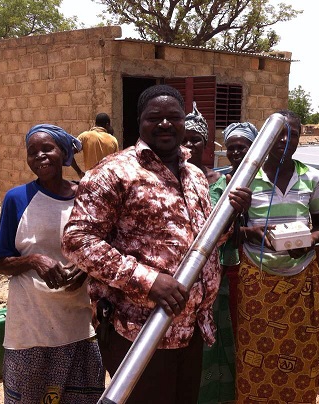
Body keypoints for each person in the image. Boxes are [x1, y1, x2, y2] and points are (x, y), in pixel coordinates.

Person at [62, 85, 251, 404]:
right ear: (140, 122)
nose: (165, 124)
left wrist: (229, 217)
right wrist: (148, 282)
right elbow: (77, 240)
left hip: (190, 330)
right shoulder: (114, 172)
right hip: (139, 332)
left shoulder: (194, 176)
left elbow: (203, 241)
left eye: (173, 117)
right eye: (155, 117)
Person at [0, 124, 104, 404]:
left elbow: (103, 248)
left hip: (78, 322)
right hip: (31, 326)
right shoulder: (17, 199)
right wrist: (32, 260)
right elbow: (1, 261)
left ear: (63, 153)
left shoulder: (85, 197)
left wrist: (86, 269)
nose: (40, 156)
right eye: (32, 152)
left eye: (47, 149)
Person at [236, 110, 319, 403]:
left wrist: (309, 242)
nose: (284, 141)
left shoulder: (312, 177)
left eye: (292, 135)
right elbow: (231, 231)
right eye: (278, 135)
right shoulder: (246, 177)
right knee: (255, 352)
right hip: (258, 278)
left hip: (300, 277)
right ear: (266, 138)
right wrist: (252, 232)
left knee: (298, 351)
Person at [182, 103, 243, 404]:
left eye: (195, 139)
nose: (189, 145)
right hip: (180, 278)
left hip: (216, 275)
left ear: (205, 143)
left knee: (218, 336)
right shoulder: (170, 181)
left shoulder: (222, 182)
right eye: (184, 139)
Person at [222, 122, 259, 338]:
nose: (235, 152)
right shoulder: (224, 181)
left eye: (241, 147)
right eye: (231, 147)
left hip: (257, 259)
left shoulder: (263, 180)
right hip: (232, 260)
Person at [71, 112, 118, 177]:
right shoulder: (113, 140)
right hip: (106, 181)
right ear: (107, 125)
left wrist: (79, 172)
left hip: (90, 180)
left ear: (95, 124)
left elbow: (69, 152)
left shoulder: (85, 137)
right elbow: (116, 164)